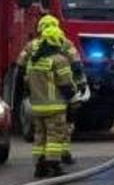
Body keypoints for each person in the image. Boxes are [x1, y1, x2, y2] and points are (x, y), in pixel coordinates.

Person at [23, 24, 86, 177]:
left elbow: (25, 82)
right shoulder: (59, 60)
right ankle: (54, 166)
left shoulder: (33, 60)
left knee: (40, 137)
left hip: (37, 107)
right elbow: (65, 84)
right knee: (54, 138)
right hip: (55, 107)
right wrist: (74, 98)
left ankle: (40, 166)